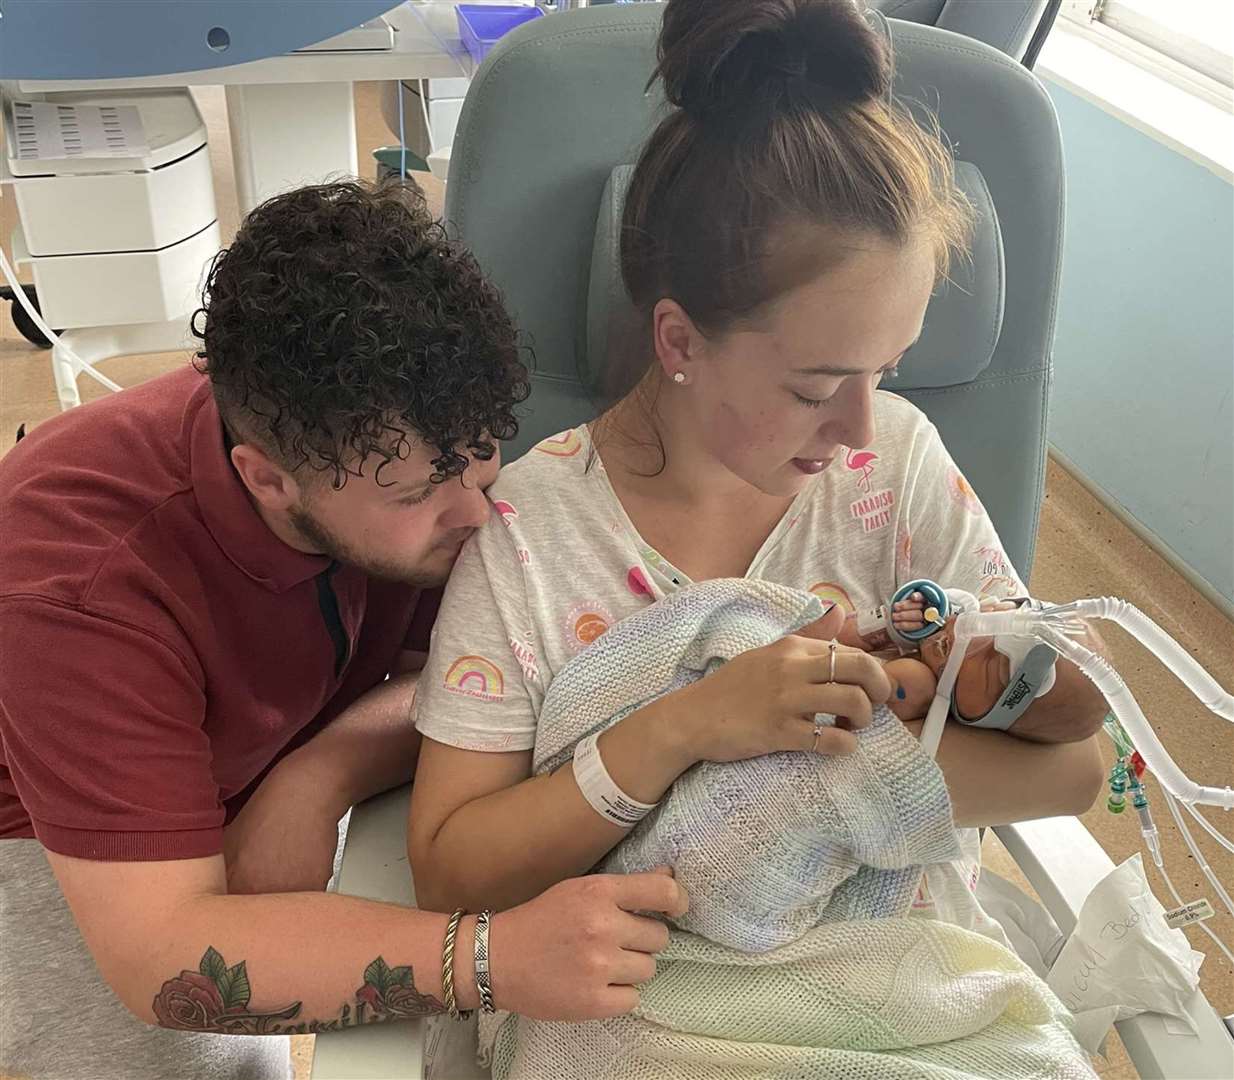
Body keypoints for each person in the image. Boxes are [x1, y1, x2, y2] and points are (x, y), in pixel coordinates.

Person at [406, 0, 1109, 930]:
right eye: (817, 388)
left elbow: (1078, 767)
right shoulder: (537, 537)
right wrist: (689, 728)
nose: (860, 425)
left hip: (898, 986)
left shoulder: (896, 467)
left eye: (886, 372)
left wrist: (827, 783)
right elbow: (453, 875)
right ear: (679, 339)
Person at [0, 181, 686, 1080]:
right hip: (55, 829)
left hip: (262, 747)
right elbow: (161, 957)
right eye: (416, 497)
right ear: (269, 479)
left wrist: (319, 772)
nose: (479, 513)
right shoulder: (77, 583)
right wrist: (494, 959)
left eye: (483, 453)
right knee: (202, 1052)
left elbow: (503, 668)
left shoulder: (395, 450)